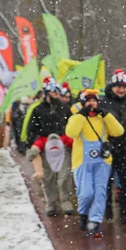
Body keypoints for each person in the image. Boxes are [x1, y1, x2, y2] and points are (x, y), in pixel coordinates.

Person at [65, 89, 124, 235]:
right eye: (88, 100)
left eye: (94, 100)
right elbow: (71, 132)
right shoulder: (76, 117)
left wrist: (107, 115)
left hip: (102, 161)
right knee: (86, 193)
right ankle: (84, 214)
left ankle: (95, 221)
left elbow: (118, 131)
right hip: (82, 161)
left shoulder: (103, 117)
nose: (92, 103)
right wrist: (81, 115)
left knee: (100, 192)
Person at [25, 79, 76, 217]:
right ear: (47, 92)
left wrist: (70, 140)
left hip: (63, 147)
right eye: (54, 91)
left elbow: (71, 126)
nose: (56, 94)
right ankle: (51, 203)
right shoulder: (38, 110)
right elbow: (32, 129)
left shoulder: (65, 108)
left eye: (58, 91)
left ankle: (66, 201)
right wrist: (35, 144)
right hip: (46, 148)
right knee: (48, 178)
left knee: (64, 176)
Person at [101, 69, 126, 225]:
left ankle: (125, 212)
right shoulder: (103, 102)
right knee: (105, 182)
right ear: (112, 86)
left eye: (124, 86)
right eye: (118, 86)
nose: (121, 89)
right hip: (108, 148)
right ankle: (107, 208)